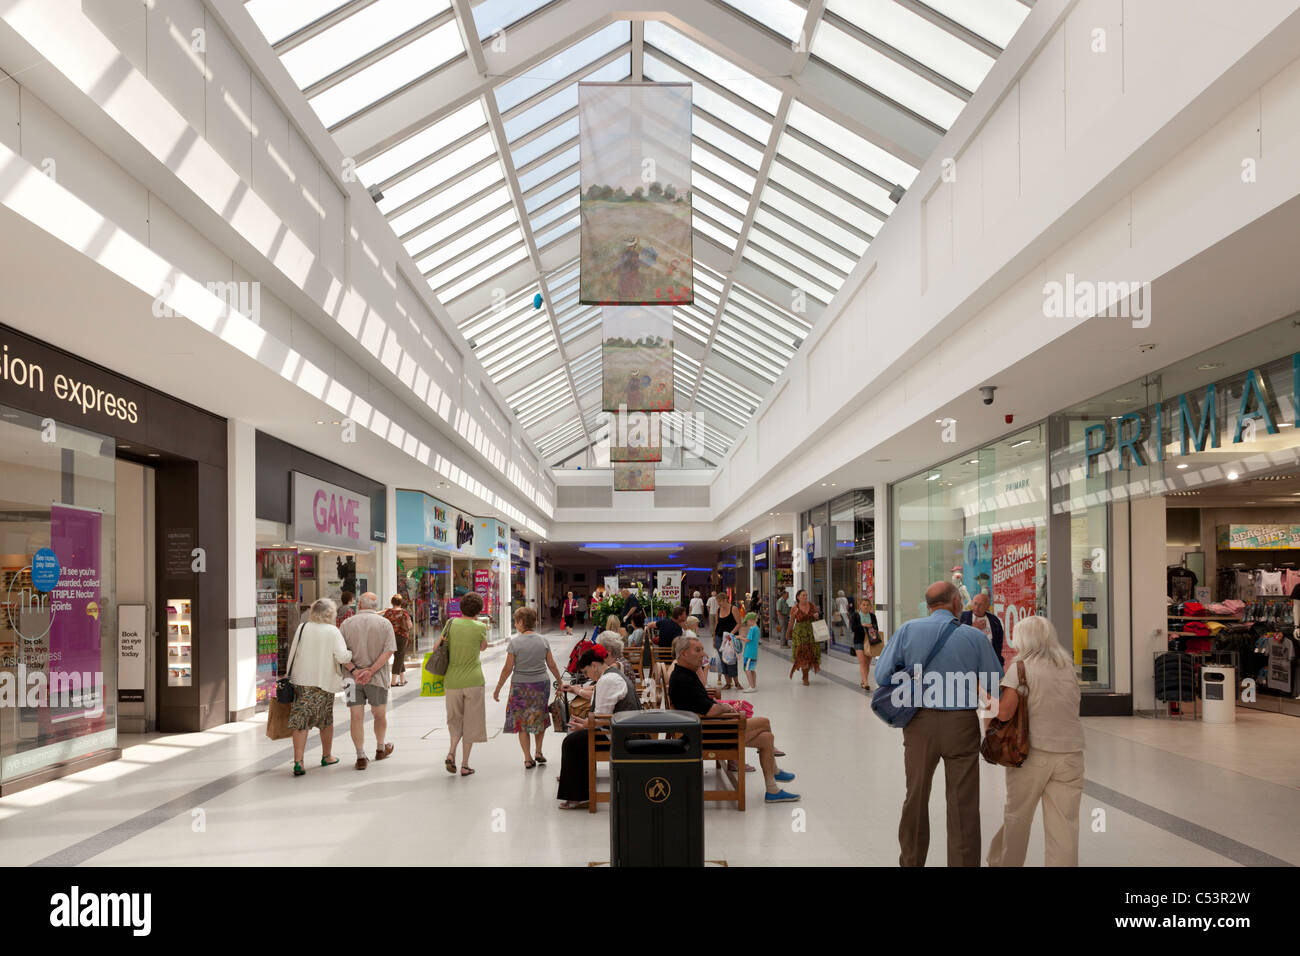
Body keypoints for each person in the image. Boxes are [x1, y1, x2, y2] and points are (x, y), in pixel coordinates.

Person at [874, 581, 1003, 867]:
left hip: (919, 723)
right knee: (963, 804)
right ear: (956, 603)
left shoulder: (908, 630)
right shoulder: (974, 637)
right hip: (962, 725)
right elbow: (996, 683)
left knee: (916, 797)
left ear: (929, 605)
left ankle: (911, 861)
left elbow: (882, 675)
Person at [986, 616, 1085, 867]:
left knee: (1018, 817)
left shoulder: (1021, 667)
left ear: (1023, 639)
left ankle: (1004, 863)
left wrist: (984, 698)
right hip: (1071, 753)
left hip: (1032, 754)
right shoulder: (1068, 667)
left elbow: (1005, 712)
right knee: (1065, 824)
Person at [669, 636, 798, 803]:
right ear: (684, 654)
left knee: (767, 738)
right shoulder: (683, 679)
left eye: (702, 649)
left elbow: (702, 702)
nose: (703, 653)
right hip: (707, 735)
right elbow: (711, 710)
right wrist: (726, 708)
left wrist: (718, 705)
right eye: (698, 650)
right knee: (764, 723)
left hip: (706, 728)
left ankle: (772, 790)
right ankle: (775, 771)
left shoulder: (686, 672)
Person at [556, 645, 640, 809]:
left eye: (586, 671)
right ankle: (579, 788)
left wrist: (586, 725)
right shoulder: (612, 675)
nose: (587, 675)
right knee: (575, 735)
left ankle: (578, 796)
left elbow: (601, 718)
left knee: (572, 742)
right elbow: (603, 715)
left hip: (621, 734)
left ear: (594, 665)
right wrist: (585, 723)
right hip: (624, 727)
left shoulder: (607, 680)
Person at [286, 598, 356, 777]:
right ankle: (327, 755)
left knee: (301, 721)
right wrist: (350, 654)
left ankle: (298, 761)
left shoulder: (302, 628)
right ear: (330, 614)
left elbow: (293, 652)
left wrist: (289, 675)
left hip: (301, 681)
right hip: (324, 682)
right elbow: (342, 656)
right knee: (325, 720)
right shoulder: (333, 631)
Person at [493, 606, 562, 770]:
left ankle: (527, 758)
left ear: (521, 622)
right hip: (540, 685)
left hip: (520, 687)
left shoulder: (515, 643)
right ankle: (538, 751)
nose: (515, 624)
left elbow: (507, 668)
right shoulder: (543, 641)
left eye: (516, 621)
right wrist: (559, 681)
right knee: (539, 717)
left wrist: (498, 688)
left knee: (522, 722)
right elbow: (551, 664)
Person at [339, 593, 396, 770]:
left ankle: (360, 756)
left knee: (355, 717)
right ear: (375, 605)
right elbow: (389, 651)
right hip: (378, 678)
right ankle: (380, 748)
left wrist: (356, 671)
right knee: (380, 714)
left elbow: (340, 653)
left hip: (350, 678)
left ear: (360, 604)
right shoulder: (385, 623)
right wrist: (370, 671)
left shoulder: (346, 624)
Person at [435, 592, 488, 776]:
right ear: (479, 610)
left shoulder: (451, 623)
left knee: (455, 720)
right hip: (474, 680)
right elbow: (483, 647)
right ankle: (465, 765)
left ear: (460, 607)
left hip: (452, 680)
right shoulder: (480, 626)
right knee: (471, 723)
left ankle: (451, 753)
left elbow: (437, 648)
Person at [784, 589, 821, 684]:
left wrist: (816, 615)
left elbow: (817, 617)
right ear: (798, 597)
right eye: (803, 595)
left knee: (810, 656)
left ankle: (805, 674)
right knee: (802, 656)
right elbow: (791, 621)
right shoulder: (794, 608)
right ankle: (805, 677)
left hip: (811, 633)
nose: (805, 597)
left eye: (806, 595)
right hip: (799, 634)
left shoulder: (812, 606)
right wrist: (788, 633)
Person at [960, 591, 1005, 662]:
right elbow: (956, 638)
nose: (977, 607)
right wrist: (973, 628)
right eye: (975, 604)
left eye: (981, 605)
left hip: (989, 660)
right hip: (968, 660)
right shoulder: (962, 617)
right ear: (971, 603)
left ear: (987, 607)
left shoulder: (994, 621)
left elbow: (998, 644)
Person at [382, 594, 413, 687]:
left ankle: (402, 679)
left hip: (391, 636)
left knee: (399, 656)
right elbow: (409, 626)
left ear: (392, 602)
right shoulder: (404, 612)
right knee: (399, 656)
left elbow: (383, 624)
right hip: (402, 636)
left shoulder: (388, 613)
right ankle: (394, 681)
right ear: (401, 602)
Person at [857, 598, 884, 690]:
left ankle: (863, 680)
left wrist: (871, 626)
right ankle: (866, 683)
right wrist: (863, 625)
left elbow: (876, 627)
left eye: (867, 605)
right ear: (860, 606)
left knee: (867, 663)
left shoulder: (872, 616)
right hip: (859, 641)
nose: (865, 606)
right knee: (862, 662)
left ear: (870, 607)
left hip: (870, 641)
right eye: (863, 604)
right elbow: (853, 628)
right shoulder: (856, 616)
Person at [734, 611, 760, 692]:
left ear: (751, 620)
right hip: (754, 653)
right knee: (752, 669)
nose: (747, 623)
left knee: (747, 669)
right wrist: (742, 636)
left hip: (749, 652)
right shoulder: (757, 628)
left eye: (747, 621)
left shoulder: (752, 629)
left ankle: (751, 686)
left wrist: (740, 638)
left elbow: (748, 640)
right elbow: (751, 637)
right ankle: (754, 685)